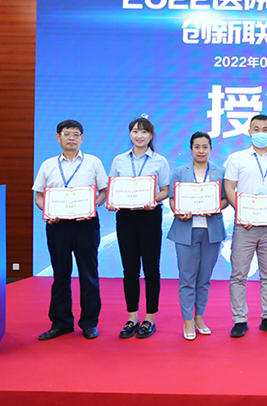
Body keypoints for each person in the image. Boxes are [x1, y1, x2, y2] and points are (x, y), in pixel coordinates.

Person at [32, 119, 108, 340]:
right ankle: (61, 323)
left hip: (86, 224)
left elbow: (104, 192)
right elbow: (39, 196)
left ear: (82, 138)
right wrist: (48, 211)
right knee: (60, 275)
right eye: (67, 134)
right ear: (58, 137)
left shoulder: (93, 162)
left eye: (76, 134)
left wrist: (93, 205)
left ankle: (89, 324)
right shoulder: (48, 165)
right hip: (58, 226)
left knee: (88, 274)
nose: (72, 138)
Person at [223, 114, 267, 338]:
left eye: (265, 129)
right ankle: (239, 319)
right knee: (239, 274)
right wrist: (242, 211)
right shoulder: (237, 158)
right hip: (245, 226)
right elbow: (229, 187)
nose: (261, 133)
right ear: (250, 132)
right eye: (257, 129)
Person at [107, 117, 171, 340]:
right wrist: (112, 202)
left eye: (144, 132)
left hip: (149, 216)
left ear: (151, 136)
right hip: (125, 217)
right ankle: (132, 318)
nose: (139, 136)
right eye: (135, 131)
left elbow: (165, 191)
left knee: (151, 269)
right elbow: (113, 188)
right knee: (130, 270)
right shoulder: (119, 160)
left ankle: (149, 318)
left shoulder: (160, 161)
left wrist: (153, 199)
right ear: (130, 134)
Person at [166, 132, 228, 340]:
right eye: (197, 147)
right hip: (186, 230)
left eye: (205, 147)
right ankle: (187, 321)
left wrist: (216, 207)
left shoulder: (220, 173)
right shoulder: (179, 172)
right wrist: (178, 211)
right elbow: (173, 199)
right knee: (187, 278)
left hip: (211, 231)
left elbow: (226, 199)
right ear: (191, 149)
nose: (201, 151)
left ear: (210, 149)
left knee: (204, 279)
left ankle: (199, 317)